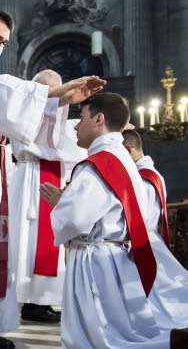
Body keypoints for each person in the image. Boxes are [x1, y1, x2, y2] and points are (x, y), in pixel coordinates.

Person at [0, 8, 106, 349]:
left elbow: (16, 108)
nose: (0, 47)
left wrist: (61, 98)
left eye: (5, 43)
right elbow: (0, 90)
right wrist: (54, 93)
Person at [41, 92, 172, 348]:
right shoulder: (121, 158)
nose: (76, 126)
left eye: (82, 117)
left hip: (94, 260)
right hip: (113, 256)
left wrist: (60, 205)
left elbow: (76, 220)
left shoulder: (96, 165)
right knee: (113, 328)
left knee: (95, 336)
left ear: (99, 119)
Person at [8, 70, 87, 323]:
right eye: (58, 89)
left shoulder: (47, 115)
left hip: (44, 173)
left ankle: (41, 298)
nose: (61, 95)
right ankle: (32, 300)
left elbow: (65, 136)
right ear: (43, 88)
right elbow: (61, 140)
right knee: (29, 241)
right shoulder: (27, 113)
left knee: (40, 240)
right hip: (33, 177)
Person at [122, 129, 188, 331]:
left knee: (158, 301)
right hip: (149, 240)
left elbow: (140, 216)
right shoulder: (150, 173)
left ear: (129, 150)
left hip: (142, 241)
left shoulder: (142, 179)